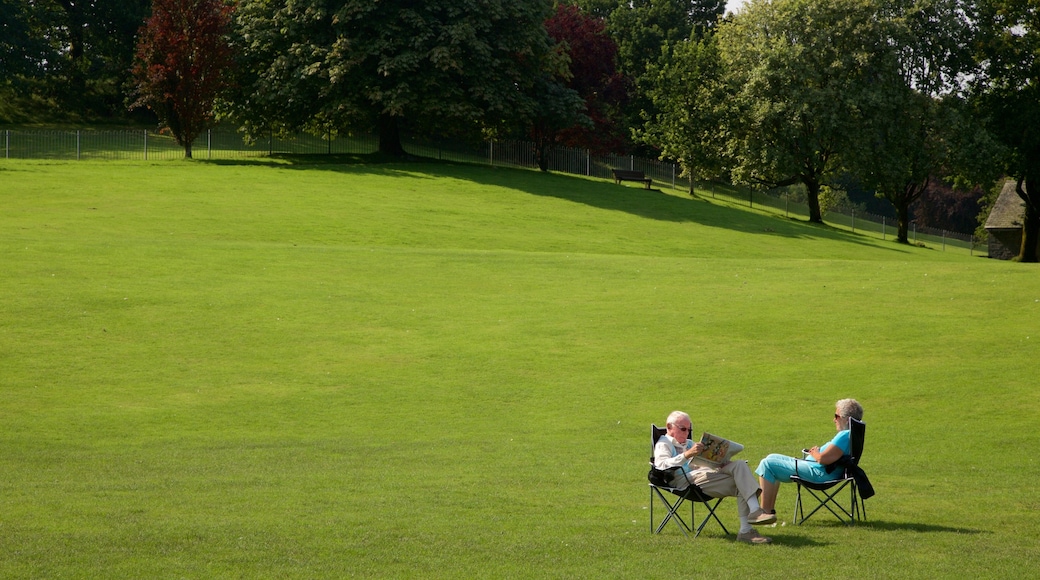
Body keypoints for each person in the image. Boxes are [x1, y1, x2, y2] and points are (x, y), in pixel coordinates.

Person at [654, 410, 776, 544]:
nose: (686, 433)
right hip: (683, 480)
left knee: (740, 466)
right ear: (669, 427)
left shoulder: (689, 443)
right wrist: (687, 455)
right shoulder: (664, 443)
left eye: (689, 429)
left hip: (702, 475)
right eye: (683, 429)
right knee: (741, 482)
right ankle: (747, 529)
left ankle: (753, 516)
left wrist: (719, 462)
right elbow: (661, 465)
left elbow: (700, 463)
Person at [754, 398, 864, 515]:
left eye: (836, 416)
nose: (834, 420)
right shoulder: (851, 434)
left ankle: (764, 512)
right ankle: (768, 511)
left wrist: (815, 453)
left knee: (767, 464)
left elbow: (823, 459)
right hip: (817, 469)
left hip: (818, 474)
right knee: (771, 457)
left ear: (846, 419)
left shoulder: (845, 435)